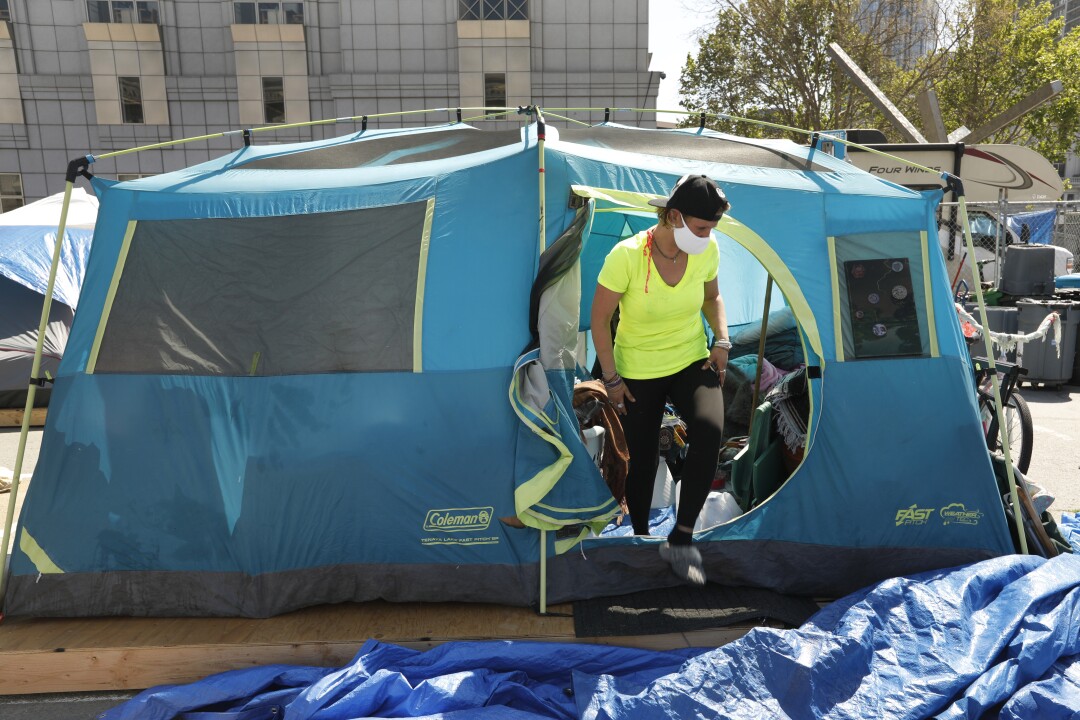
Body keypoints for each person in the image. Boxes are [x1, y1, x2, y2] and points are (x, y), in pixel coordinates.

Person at [590, 174, 732, 585]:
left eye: (712, 229)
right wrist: (612, 380)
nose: (707, 236)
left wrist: (720, 340)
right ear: (673, 216)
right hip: (636, 370)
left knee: (709, 429)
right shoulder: (627, 255)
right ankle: (639, 538)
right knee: (643, 457)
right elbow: (599, 321)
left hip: (690, 359)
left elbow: (712, 297)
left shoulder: (707, 250)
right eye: (702, 228)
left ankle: (681, 538)